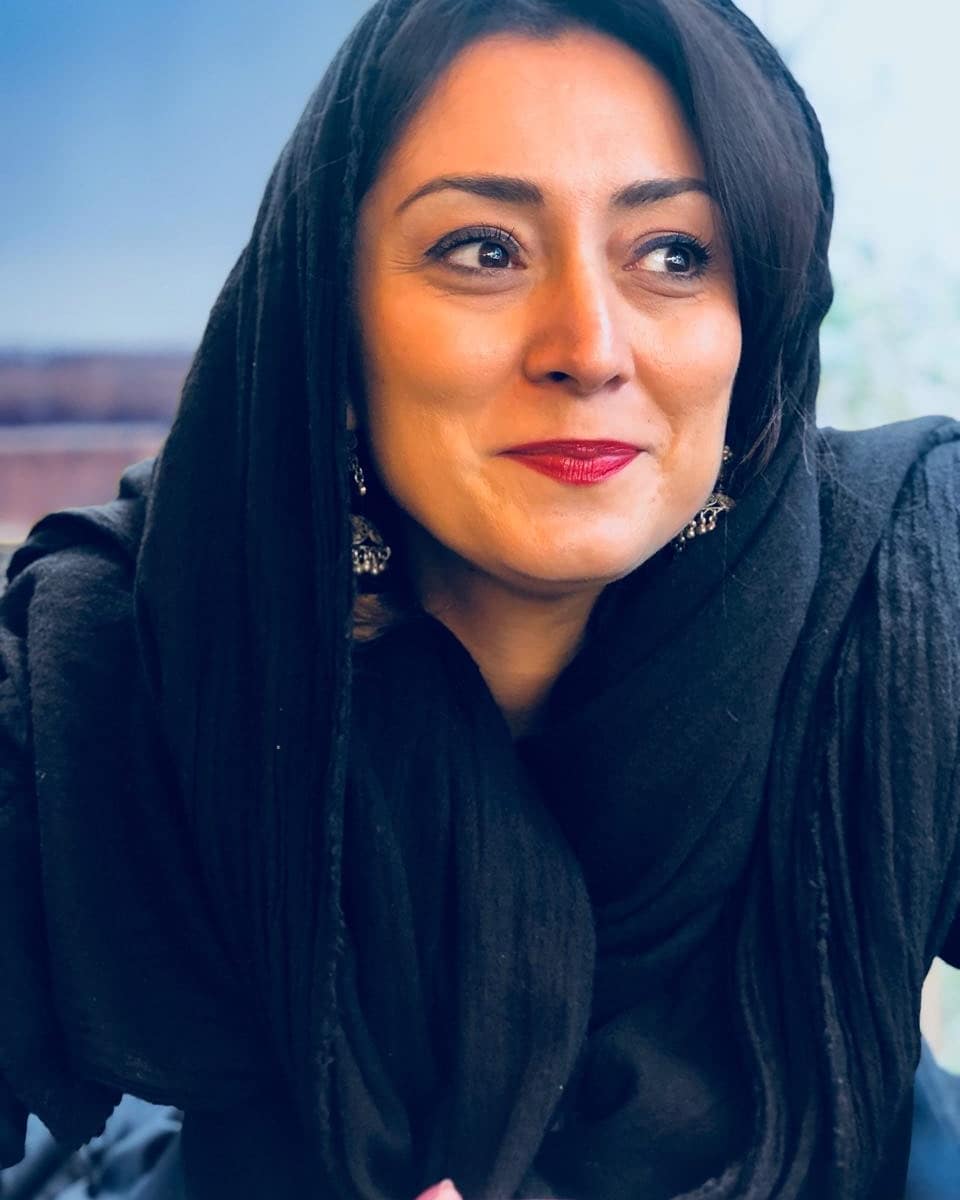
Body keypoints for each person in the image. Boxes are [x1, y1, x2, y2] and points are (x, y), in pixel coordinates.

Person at [1, 0, 959, 1197]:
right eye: (483, 250)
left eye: (674, 253)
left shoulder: (903, 605)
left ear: (752, 319)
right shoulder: (129, 656)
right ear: (330, 315)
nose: (589, 347)